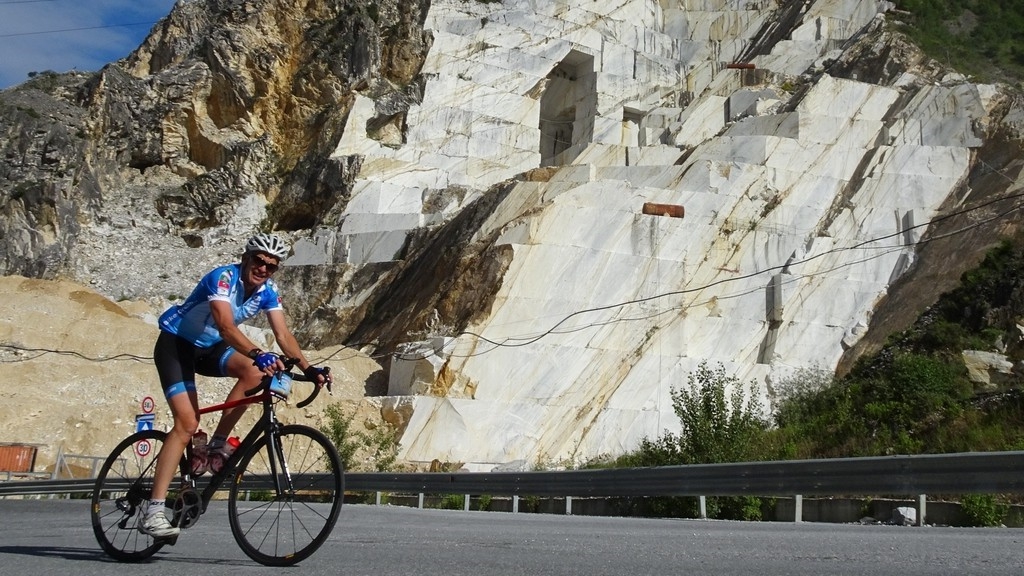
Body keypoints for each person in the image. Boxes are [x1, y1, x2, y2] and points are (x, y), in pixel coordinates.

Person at [141, 233, 333, 538]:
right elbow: (227, 327)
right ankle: (153, 510)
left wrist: (310, 370)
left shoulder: (268, 291)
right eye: (259, 261)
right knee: (187, 423)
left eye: (271, 266)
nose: (263, 269)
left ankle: (217, 445)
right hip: (177, 345)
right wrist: (257, 352)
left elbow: (283, 336)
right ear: (246, 258)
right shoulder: (222, 279)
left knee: (256, 375)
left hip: (211, 348)